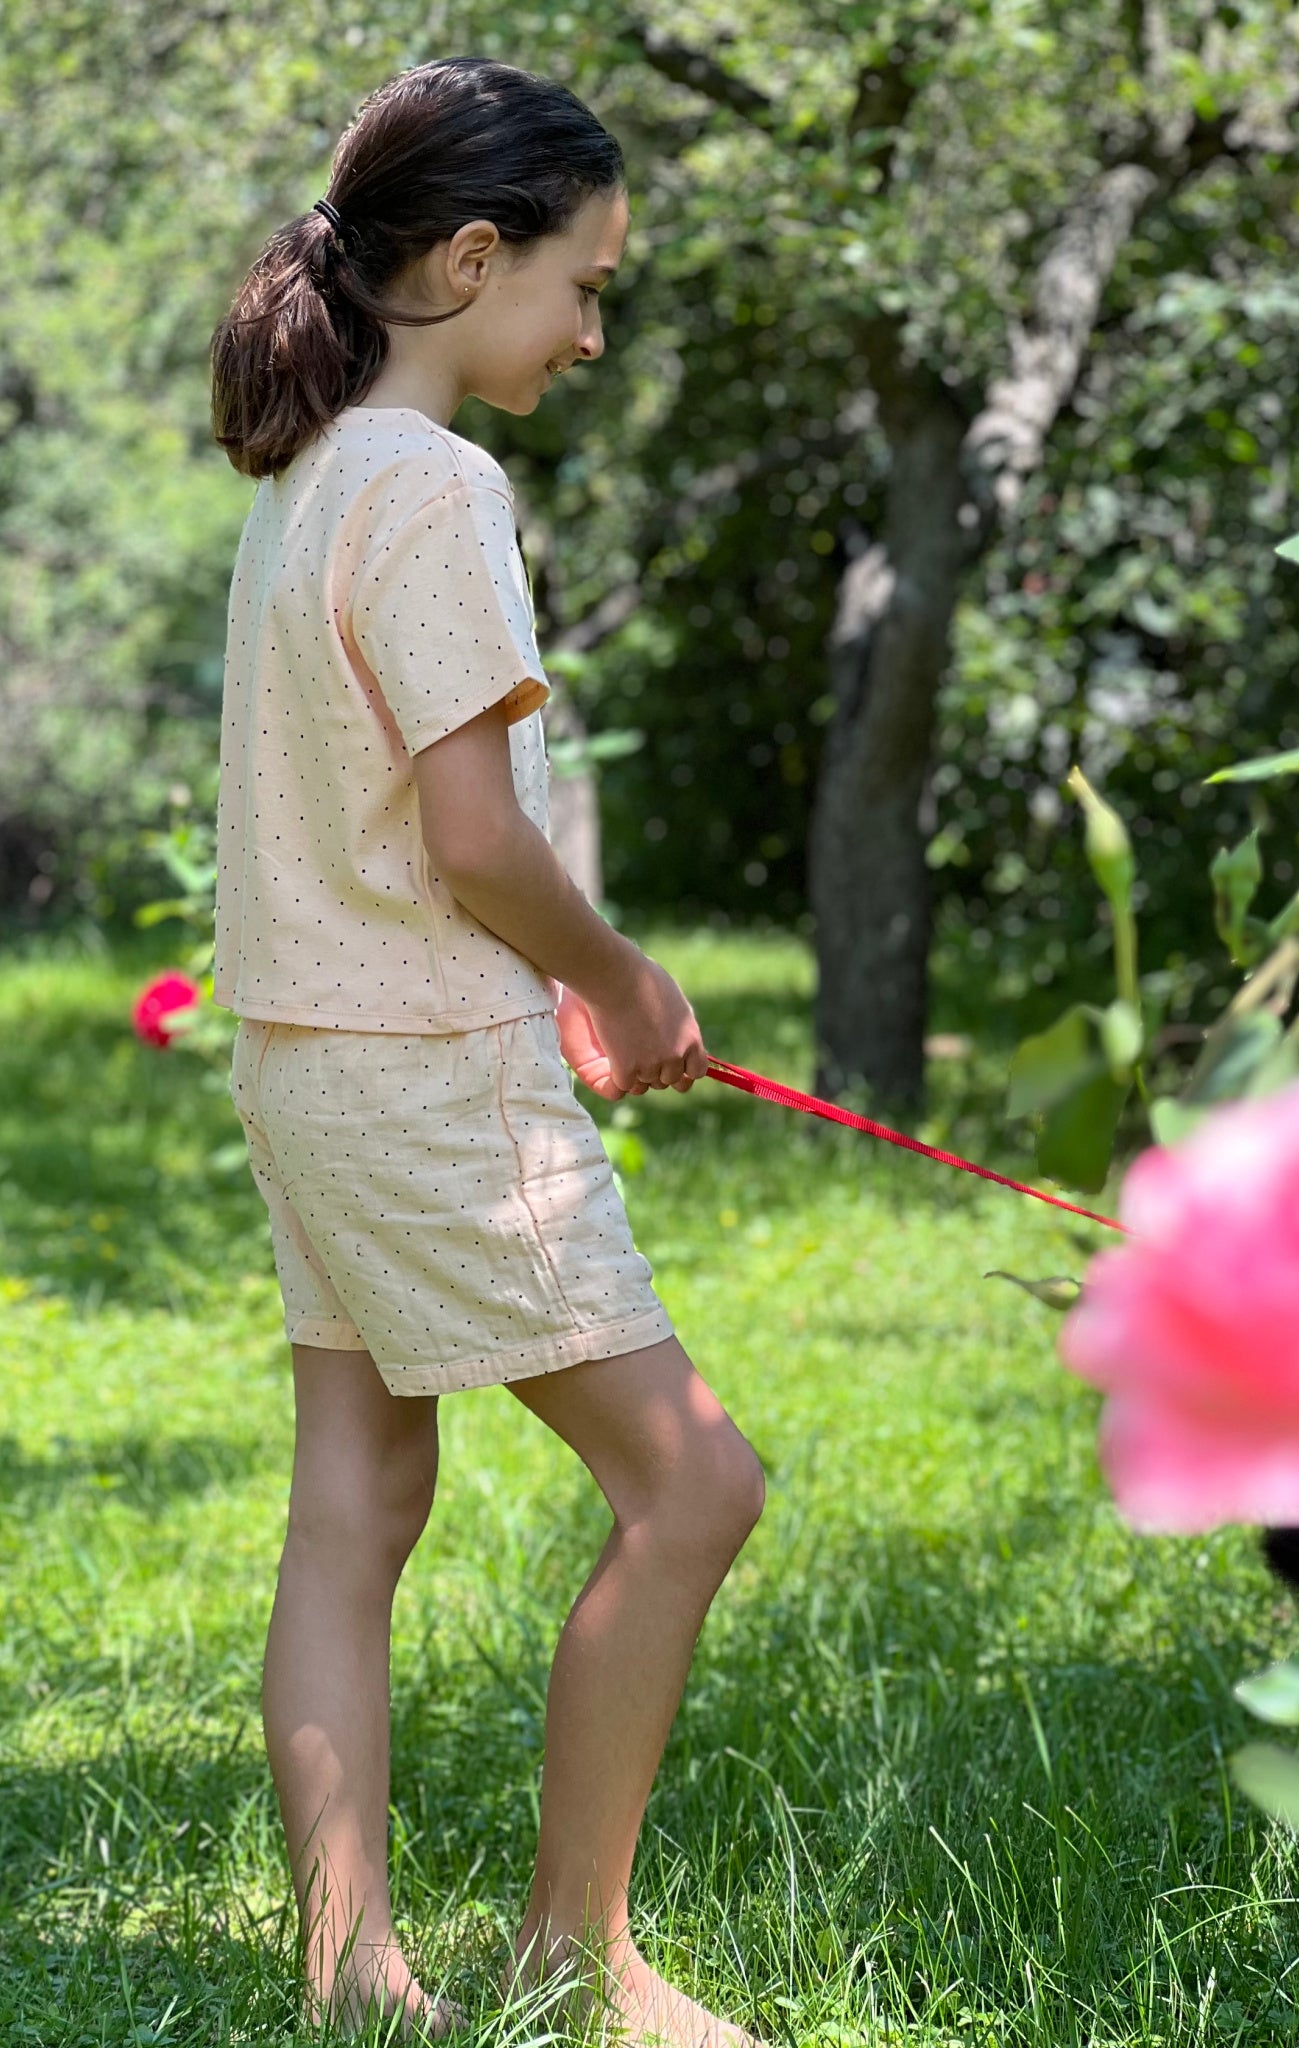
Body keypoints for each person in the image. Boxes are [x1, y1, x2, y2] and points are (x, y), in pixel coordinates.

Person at [208, 55, 766, 2047]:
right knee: (695, 1489)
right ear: (465, 258)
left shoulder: (303, 481)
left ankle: (353, 1971)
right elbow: (469, 831)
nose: (596, 332)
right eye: (582, 285)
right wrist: (619, 981)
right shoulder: (435, 484)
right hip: (426, 1074)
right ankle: (575, 1956)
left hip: (301, 1058)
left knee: (354, 1495)